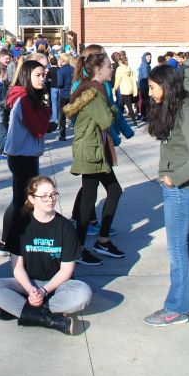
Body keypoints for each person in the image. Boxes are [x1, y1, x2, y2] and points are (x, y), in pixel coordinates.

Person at [144, 65, 189, 326]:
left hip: (182, 189)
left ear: (166, 84)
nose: (150, 93)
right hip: (178, 187)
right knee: (188, 244)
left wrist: (172, 179)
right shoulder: (175, 108)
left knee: (177, 250)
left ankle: (176, 307)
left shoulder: (186, 111)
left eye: (153, 87)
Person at [0, 176, 92, 335]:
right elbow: (17, 268)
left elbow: (66, 270)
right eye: (44, 196)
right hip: (27, 284)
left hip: (57, 286)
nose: (50, 199)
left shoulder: (66, 227)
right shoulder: (21, 226)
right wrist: (31, 290)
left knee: (83, 293)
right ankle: (49, 319)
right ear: (32, 199)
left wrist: (43, 291)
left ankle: (20, 310)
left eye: (53, 194)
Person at [64, 53, 124, 265]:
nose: (112, 69)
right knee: (90, 198)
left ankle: (100, 240)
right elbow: (106, 119)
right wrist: (114, 108)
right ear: (98, 69)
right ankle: (80, 248)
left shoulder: (93, 90)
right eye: (109, 66)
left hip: (95, 149)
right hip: (90, 150)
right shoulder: (93, 92)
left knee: (106, 193)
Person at [0, 61, 53, 256]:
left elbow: (42, 123)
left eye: (43, 75)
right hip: (22, 156)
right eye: (38, 75)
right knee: (23, 202)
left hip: (25, 154)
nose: (42, 78)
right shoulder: (26, 99)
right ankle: (11, 244)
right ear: (27, 76)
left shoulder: (30, 97)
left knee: (19, 200)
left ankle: (6, 242)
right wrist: (46, 111)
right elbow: (39, 128)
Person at [113, 52, 138, 126]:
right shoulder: (130, 68)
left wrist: (114, 89)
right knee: (121, 105)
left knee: (128, 106)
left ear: (120, 61)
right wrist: (135, 90)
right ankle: (118, 119)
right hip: (130, 89)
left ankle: (134, 122)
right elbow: (134, 80)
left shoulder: (119, 69)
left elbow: (118, 80)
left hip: (124, 90)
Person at [56, 54, 73, 140]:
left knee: (62, 115)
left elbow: (59, 84)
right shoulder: (73, 69)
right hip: (73, 94)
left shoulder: (60, 71)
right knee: (74, 113)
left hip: (63, 94)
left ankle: (63, 135)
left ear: (62, 60)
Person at [137, 52, 152, 121]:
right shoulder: (145, 65)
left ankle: (144, 115)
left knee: (144, 101)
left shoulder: (144, 65)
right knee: (146, 101)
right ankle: (145, 115)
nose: (149, 58)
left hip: (143, 85)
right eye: (147, 57)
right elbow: (146, 76)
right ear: (144, 58)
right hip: (145, 86)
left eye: (150, 57)